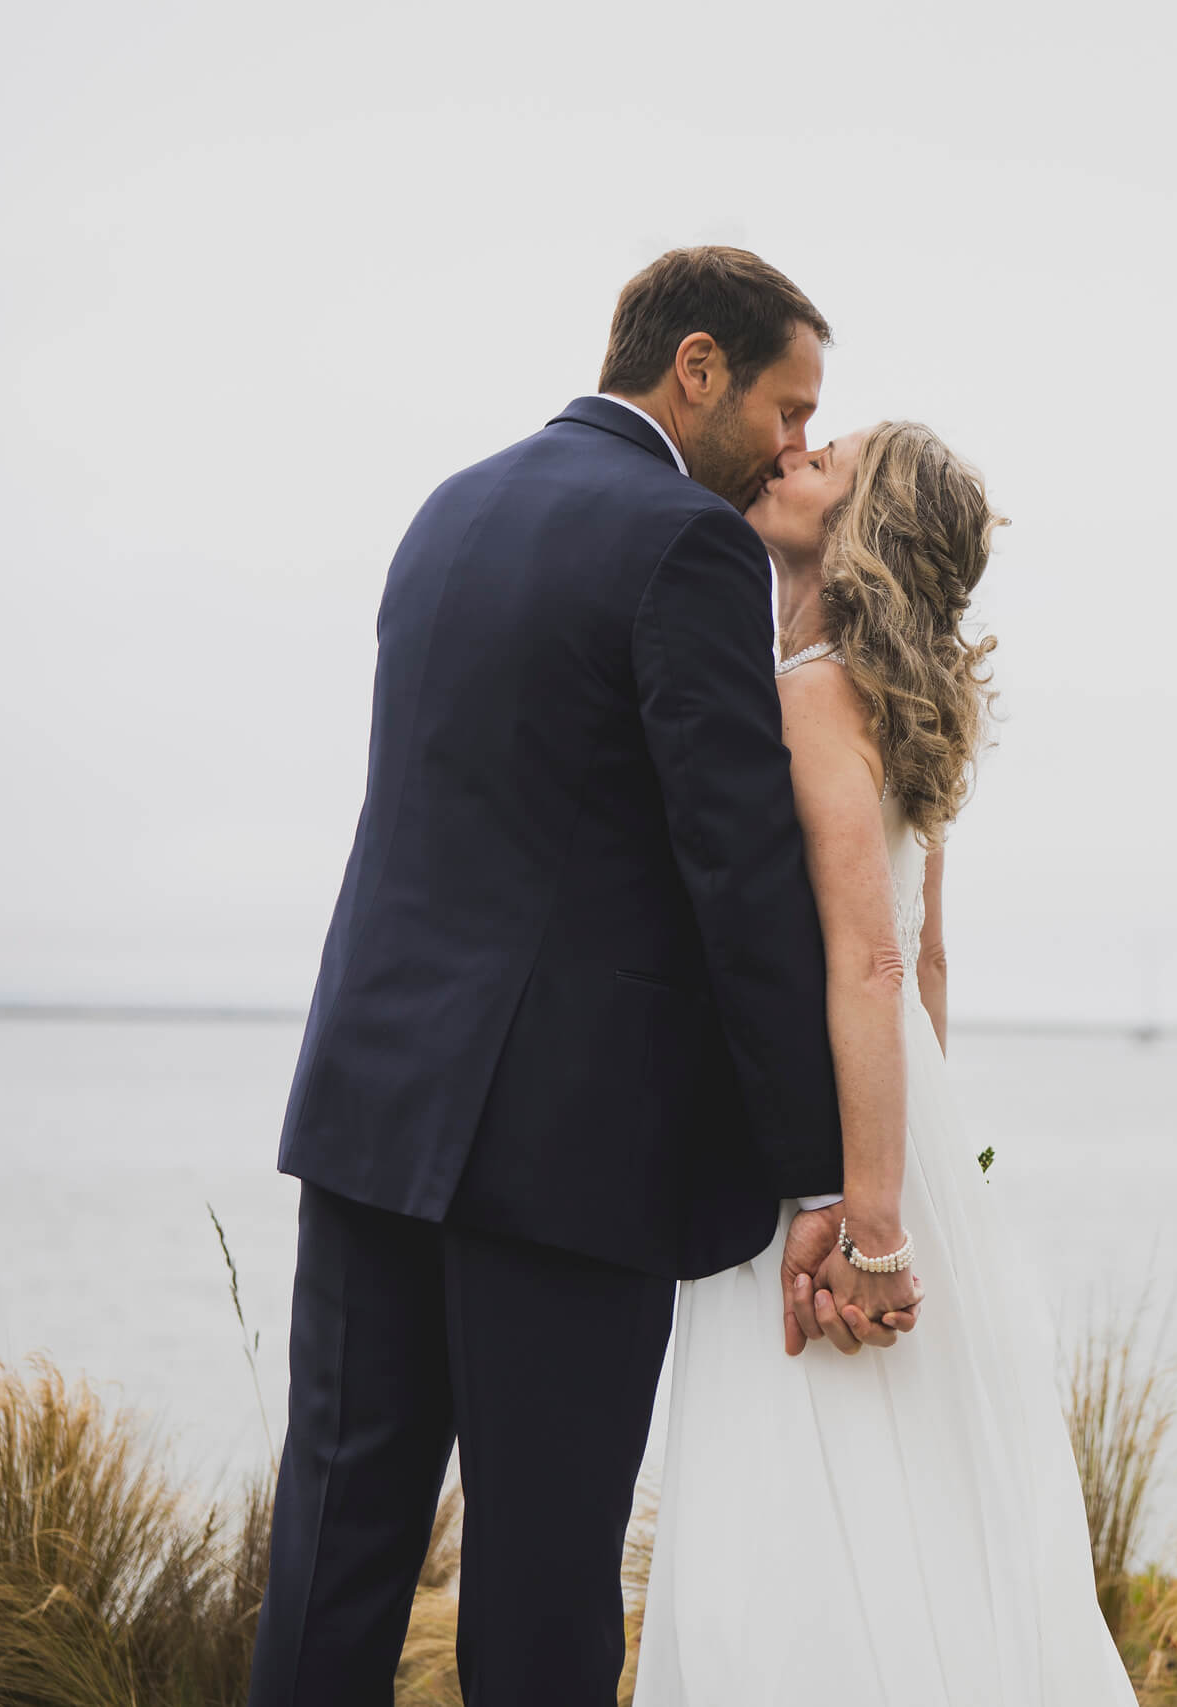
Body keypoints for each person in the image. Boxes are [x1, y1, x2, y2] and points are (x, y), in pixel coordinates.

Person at [248, 247, 916, 1705]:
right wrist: (819, 1174)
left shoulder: (448, 511)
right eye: (789, 408)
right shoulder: (687, 543)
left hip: (370, 1115)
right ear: (696, 367)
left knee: (331, 1560)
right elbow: (736, 871)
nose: (800, 445)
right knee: (545, 1584)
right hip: (561, 1154)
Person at [632, 422, 1138, 1704]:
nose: (786, 460)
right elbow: (928, 970)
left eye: (825, 462)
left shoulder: (809, 694)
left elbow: (867, 960)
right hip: (904, 1131)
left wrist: (865, 1219)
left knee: (794, 1503)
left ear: (858, 532)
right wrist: (920, 1182)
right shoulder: (897, 701)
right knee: (927, 1496)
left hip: (833, 1155)